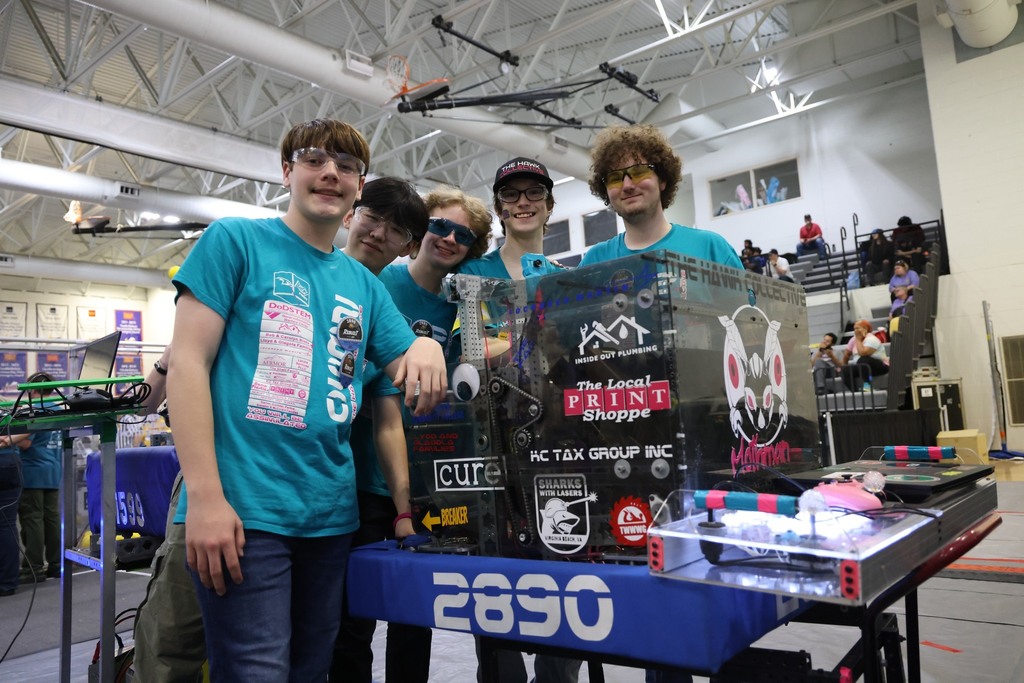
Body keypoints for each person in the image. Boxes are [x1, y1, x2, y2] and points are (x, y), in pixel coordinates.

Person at [166, 118, 447, 681]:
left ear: (358, 186)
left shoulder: (364, 286)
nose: (330, 173)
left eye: (346, 166)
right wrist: (205, 498)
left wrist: (427, 347)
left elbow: (403, 363)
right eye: (315, 159)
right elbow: (187, 364)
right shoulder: (236, 241)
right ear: (287, 171)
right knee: (256, 671)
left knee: (312, 671)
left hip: (330, 518)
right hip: (245, 512)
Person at [584, 124, 741, 683]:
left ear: (662, 178)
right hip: (630, 438)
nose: (628, 183)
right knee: (654, 582)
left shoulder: (708, 247)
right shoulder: (596, 258)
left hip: (708, 436)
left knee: (713, 583)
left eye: (639, 171)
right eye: (616, 176)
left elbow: (746, 330)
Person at [331, 181, 491, 683]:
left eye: (463, 235)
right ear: (417, 234)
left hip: (424, 479)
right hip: (357, 473)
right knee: (350, 619)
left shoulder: (462, 307)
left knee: (414, 615)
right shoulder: (377, 280)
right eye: (440, 226)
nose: (449, 239)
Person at [15, 372, 62, 583]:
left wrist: (7, 435)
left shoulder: (35, 409)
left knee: (32, 519)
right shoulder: (57, 408)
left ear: (32, 389)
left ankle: (33, 568)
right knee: (51, 519)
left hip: (33, 470)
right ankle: (56, 564)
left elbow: (26, 442)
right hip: (52, 470)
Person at [0, 424, 23, 597]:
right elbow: (28, 430)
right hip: (9, 461)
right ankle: (7, 583)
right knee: (7, 525)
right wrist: (8, 440)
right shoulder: (10, 410)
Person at [838, 319, 889, 392]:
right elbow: (847, 354)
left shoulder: (872, 339)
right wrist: (844, 366)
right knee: (845, 370)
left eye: (858, 328)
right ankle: (855, 393)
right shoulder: (853, 339)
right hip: (862, 367)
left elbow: (863, 353)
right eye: (854, 328)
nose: (855, 331)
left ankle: (867, 386)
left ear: (865, 329)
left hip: (880, 366)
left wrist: (858, 340)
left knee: (862, 360)